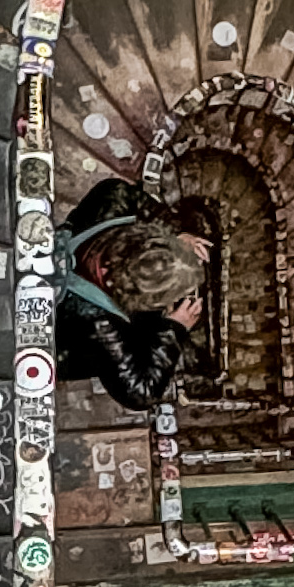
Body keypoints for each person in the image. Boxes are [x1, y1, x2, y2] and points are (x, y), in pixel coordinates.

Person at [54, 177, 211, 413]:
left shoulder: (111, 202)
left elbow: (124, 192)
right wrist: (174, 329)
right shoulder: (101, 327)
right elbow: (142, 392)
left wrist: (175, 235)